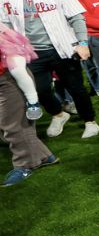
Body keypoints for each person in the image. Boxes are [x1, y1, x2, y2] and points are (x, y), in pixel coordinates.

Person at [0, 0, 99, 137]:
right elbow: (4, 23)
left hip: (62, 49)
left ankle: (90, 121)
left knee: (76, 88)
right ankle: (59, 115)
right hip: (30, 53)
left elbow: (76, 17)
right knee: (40, 90)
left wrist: (83, 43)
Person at [1, 28, 59, 185]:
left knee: (14, 125)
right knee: (7, 125)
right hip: (6, 79)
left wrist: (32, 100)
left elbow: (18, 69)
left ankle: (25, 165)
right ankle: (45, 156)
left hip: (10, 80)